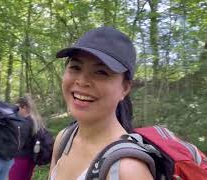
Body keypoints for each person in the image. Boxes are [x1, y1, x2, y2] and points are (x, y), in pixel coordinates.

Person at [49, 26, 153, 180]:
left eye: (101, 72)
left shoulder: (128, 170)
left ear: (125, 88)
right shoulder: (64, 139)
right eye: (75, 67)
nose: (82, 81)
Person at [9, 94, 45, 180]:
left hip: (20, 159)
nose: (18, 111)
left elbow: (19, 143)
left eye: (19, 108)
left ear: (24, 107)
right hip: (30, 158)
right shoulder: (36, 120)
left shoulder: (25, 123)